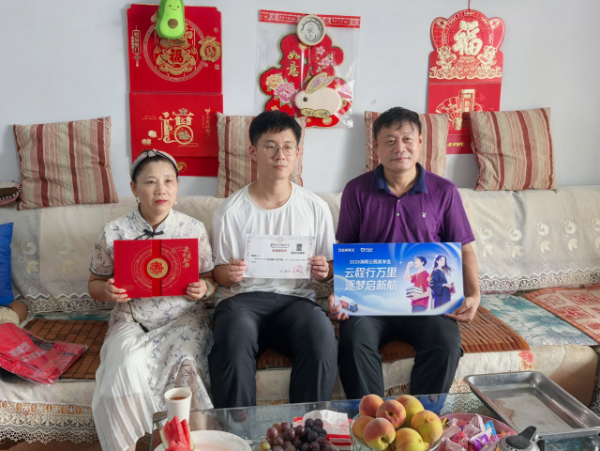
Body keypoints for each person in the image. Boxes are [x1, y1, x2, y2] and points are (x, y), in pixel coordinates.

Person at [329, 107, 481, 397]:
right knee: (353, 342)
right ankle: (373, 418)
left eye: (407, 139)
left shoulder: (444, 191)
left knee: (446, 344)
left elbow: (464, 248)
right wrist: (339, 293)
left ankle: (422, 418)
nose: (400, 148)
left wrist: (475, 295)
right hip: (371, 303)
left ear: (420, 142)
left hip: (427, 302)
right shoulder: (356, 190)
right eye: (389, 141)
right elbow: (346, 252)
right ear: (376, 147)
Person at [209, 111, 338, 408]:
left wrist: (324, 270)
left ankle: (307, 425)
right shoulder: (229, 211)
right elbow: (216, 273)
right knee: (233, 338)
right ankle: (238, 429)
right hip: (242, 302)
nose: (280, 155)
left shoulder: (315, 207)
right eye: (270, 146)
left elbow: (330, 267)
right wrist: (230, 273)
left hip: (296, 302)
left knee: (321, 334)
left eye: (288, 147)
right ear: (253, 152)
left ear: (297, 153)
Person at [89, 150, 214, 451]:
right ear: (134, 188)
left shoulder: (193, 229)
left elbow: (211, 279)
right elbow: (94, 284)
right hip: (132, 320)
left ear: (177, 186)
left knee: (188, 366)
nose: (161, 190)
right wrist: (107, 291)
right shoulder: (114, 231)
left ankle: (188, 446)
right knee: (125, 366)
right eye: (150, 182)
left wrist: (204, 288)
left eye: (169, 181)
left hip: (184, 320)